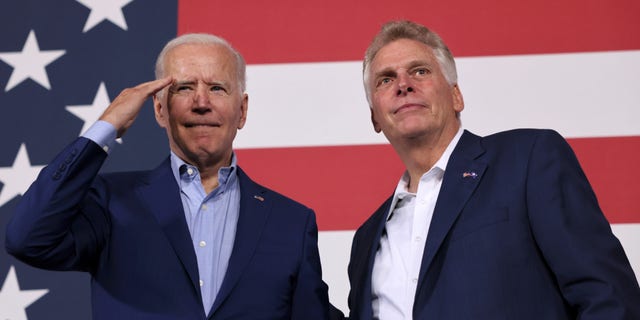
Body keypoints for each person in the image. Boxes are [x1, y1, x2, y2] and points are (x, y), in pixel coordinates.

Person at [5, 33, 331, 319]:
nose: (201, 102)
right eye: (184, 88)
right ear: (160, 110)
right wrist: (105, 129)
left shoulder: (291, 223)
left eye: (217, 88)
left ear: (242, 111)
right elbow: (27, 238)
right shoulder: (112, 203)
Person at [345, 20, 640, 319]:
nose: (403, 84)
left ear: (456, 96)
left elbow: (610, 298)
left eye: (420, 71)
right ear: (375, 118)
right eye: (385, 79)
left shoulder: (528, 160)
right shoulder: (365, 241)